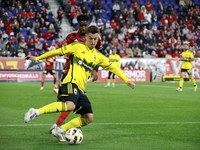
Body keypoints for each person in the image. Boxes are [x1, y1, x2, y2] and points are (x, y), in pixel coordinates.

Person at [24, 25, 136, 142]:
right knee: (70, 105)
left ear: (98, 38)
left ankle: (60, 130)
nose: (93, 41)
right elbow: (57, 51)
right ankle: (35, 111)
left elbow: (113, 68)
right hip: (70, 82)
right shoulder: (76, 47)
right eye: (91, 38)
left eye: (95, 39)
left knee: (88, 118)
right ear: (86, 37)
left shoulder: (98, 56)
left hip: (80, 88)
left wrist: (127, 80)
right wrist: (38, 58)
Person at [51, 14, 103, 133]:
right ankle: (60, 122)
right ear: (77, 25)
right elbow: (61, 52)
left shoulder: (95, 38)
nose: (84, 27)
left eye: (86, 25)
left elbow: (99, 55)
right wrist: (63, 47)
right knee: (60, 98)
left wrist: (95, 69)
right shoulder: (71, 36)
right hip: (68, 69)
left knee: (71, 99)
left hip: (81, 73)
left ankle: (58, 125)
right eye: (81, 25)